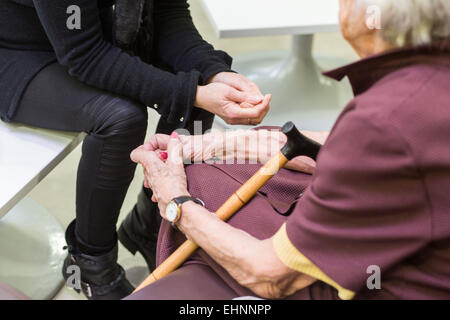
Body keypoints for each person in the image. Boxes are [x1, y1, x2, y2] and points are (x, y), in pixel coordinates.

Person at [127, 0, 450, 300]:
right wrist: (216, 144)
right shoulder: (424, 86)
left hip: (374, 283)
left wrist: (176, 202)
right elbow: (349, 150)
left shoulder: (383, 118)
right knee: (205, 172)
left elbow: (268, 275)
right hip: (395, 247)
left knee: (201, 195)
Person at [0, 0, 270, 299]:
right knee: (122, 117)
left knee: (196, 80)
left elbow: (167, 13)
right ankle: (91, 263)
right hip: (19, 53)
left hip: (97, 38)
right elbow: (85, 56)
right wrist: (194, 93)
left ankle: (156, 221)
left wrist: (213, 74)